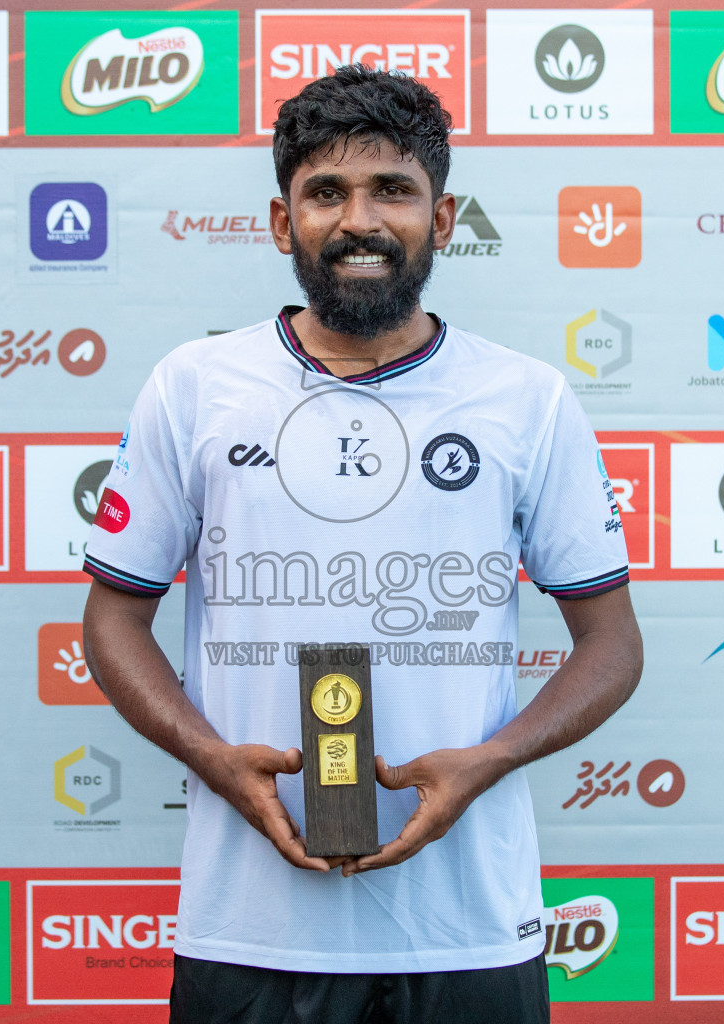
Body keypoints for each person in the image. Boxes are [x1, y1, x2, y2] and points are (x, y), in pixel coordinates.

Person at [81, 64, 643, 1024]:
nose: (359, 221)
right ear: (279, 219)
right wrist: (212, 757)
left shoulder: (527, 398)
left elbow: (613, 644)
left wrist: (493, 758)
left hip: (468, 929)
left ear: (444, 214)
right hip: (249, 929)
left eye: (393, 189)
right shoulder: (194, 385)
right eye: (325, 192)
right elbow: (112, 621)